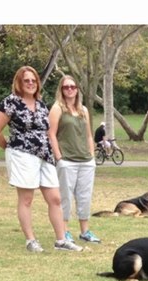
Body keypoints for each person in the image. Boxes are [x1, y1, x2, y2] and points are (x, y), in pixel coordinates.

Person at [0, 66, 80, 252]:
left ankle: (61, 240)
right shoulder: (11, 102)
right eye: (26, 80)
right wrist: (8, 146)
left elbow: (46, 130)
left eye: (33, 80)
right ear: (19, 83)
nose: (30, 83)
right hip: (22, 154)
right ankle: (31, 241)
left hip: (44, 156)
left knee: (55, 198)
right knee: (26, 199)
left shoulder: (41, 104)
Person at [47, 75, 101, 245]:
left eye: (72, 86)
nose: (69, 89)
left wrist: (92, 155)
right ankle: (65, 231)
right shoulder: (57, 108)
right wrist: (59, 158)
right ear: (61, 90)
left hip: (85, 160)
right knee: (65, 197)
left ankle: (85, 231)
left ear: (77, 89)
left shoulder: (83, 110)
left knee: (84, 196)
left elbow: (88, 135)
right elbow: (51, 134)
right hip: (67, 160)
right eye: (66, 87)